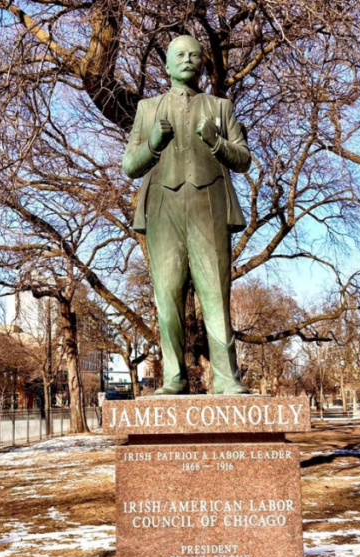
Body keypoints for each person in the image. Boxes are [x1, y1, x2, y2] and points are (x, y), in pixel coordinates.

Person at [123, 35, 251, 395]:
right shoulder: (148, 109)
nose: (188, 59)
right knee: (167, 296)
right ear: (167, 65)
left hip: (209, 205)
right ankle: (174, 377)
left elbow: (243, 159)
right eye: (179, 55)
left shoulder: (220, 107)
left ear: (202, 64)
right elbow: (129, 166)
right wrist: (152, 144)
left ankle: (226, 378)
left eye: (195, 55)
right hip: (162, 208)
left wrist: (216, 141)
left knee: (215, 294)